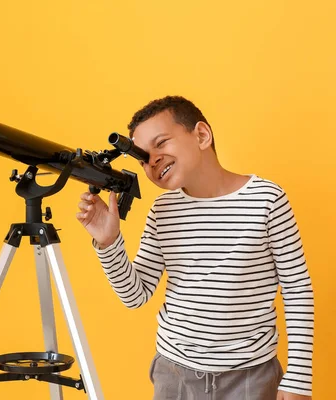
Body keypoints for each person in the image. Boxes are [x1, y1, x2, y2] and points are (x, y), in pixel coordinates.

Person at [76, 96, 314, 400]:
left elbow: (297, 289)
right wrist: (108, 244)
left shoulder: (267, 200)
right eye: (143, 158)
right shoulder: (162, 211)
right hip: (174, 375)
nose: (153, 160)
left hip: (251, 377)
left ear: (201, 135)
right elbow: (135, 296)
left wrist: (298, 377)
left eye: (162, 143)